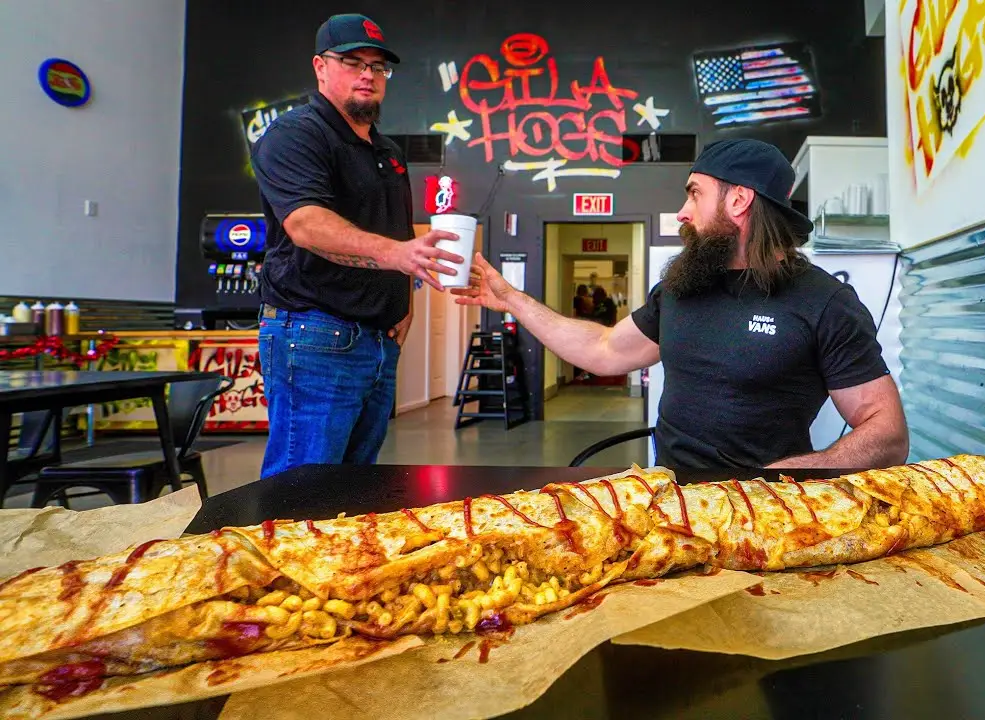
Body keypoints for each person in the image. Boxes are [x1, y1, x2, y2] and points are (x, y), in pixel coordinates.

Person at [454, 138, 910, 469]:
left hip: (767, 519)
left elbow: (886, 431)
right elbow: (605, 347)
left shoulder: (823, 301)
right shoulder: (681, 286)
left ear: (738, 200)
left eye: (694, 192)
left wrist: (790, 479)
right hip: (671, 506)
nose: (682, 211)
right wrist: (511, 299)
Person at [250, 13, 465, 479]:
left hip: (378, 342)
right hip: (313, 334)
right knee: (301, 488)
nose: (367, 74)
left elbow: (399, 232)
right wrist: (398, 257)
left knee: (352, 485)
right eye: (352, 61)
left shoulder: (387, 152)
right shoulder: (296, 135)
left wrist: (403, 301)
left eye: (378, 66)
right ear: (320, 67)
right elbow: (306, 224)